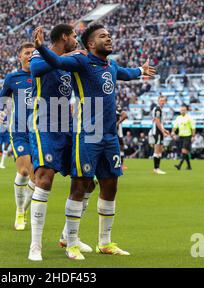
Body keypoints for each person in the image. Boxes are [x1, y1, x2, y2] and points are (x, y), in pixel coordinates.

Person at [33, 23, 156, 260]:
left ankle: (105, 242)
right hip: (87, 135)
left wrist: (140, 70)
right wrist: (41, 47)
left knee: (110, 185)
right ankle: (71, 243)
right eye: (103, 36)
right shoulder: (80, 62)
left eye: (109, 35)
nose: (108, 38)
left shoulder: (111, 65)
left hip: (110, 137)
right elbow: (57, 62)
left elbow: (127, 73)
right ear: (91, 44)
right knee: (79, 185)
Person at [28, 24, 93, 261]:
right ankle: (35, 245)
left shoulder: (72, 62)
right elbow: (35, 70)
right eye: (74, 36)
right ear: (64, 37)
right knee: (45, 177)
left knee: (87, 182)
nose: (77, 40)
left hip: (69, 127)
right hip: (44, 123)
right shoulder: (40, 52)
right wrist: (64, 56)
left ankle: (68, 236)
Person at [0, 42, 36, 231]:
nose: (30, 55)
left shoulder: (43, 75)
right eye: (26, 52)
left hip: (41, 132)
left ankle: (23, 210)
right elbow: (1, 97)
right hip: (20, 132)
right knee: (26, 172)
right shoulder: (13, 77)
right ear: (20, 57)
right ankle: (20, 213)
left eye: (33, 52)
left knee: (36, 180)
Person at [149, 95, 170, 174]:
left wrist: (164, 130)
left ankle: (157, 168)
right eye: (161, 100)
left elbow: (159, 122)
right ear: (158, 100)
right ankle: (156, 168)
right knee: (157, 149)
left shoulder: (160, 109)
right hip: (157, 131)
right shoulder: (157, 109)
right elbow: (157, 122)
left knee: (160, 149)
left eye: (163, 100)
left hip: (159, 130)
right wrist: (163, 132)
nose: (162, 102)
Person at [172, 104, 196, 170]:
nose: (183, 111)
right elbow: (175, 126)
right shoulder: (178, 118)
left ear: (186, 111)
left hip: (187, 136)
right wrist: (173, 133)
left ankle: (179, 165)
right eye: (181, 110)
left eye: (184, 110)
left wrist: (193, 136)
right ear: (180, 111)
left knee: (184, 151)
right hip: (181, 136)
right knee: (185, 152)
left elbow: (193, 128)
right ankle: (189, 166)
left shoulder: (189, 118)